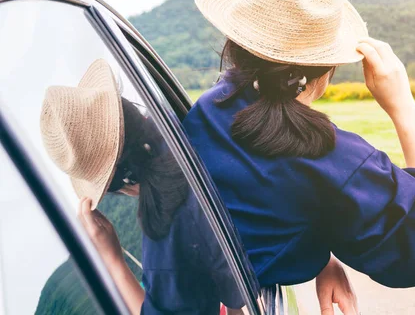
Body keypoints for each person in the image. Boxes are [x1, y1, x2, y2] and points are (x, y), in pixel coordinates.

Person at [182, 0, 415, 293]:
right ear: (328, 68)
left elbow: (251, 206)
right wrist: (403, 105)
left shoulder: (209, 108)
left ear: (235, 42)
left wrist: (316, 253)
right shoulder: (337, 160)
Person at [39, 59, 359, 315]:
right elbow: (274, 198)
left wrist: (110, 257)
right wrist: (323, 258)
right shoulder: (206, 137)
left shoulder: (166, 229)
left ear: (117, 186)